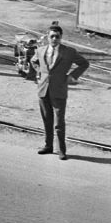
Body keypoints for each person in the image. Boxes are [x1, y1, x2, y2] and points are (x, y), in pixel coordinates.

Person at [31, 22, 89, 161]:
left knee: (59, 123)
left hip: (59, 91)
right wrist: (39, 73)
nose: (54, 39)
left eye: (57, 36)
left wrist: (72, 76)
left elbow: (84, 63)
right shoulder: (40, 50)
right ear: (47, 37)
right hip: (43, 90)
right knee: (47, 120)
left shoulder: (69, 52)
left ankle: (62, 150)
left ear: (61, 37)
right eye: (52, 36)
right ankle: (48, 146)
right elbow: (34, 61)